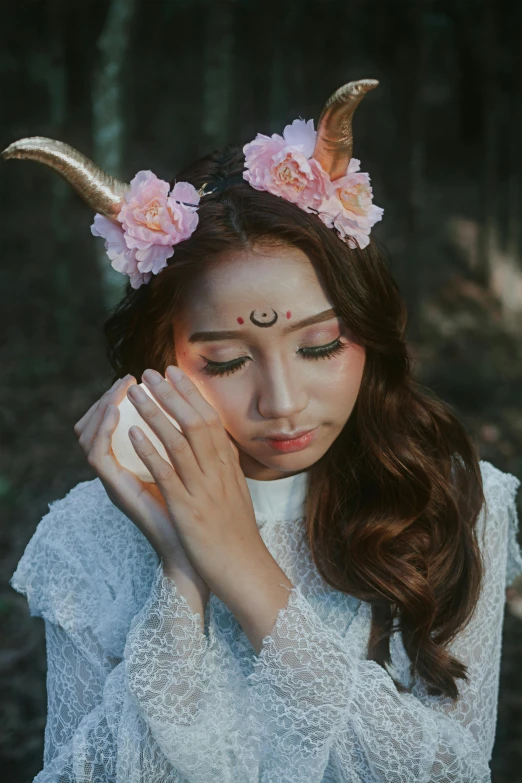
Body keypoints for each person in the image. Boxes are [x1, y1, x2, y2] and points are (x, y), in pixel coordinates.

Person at [4, 80, 522, 783]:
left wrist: (245, 569)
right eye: (224, 361)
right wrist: (182, 567)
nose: (282, 402)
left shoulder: (457, 503)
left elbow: (452, 772)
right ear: (162, 362)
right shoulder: (86, 539)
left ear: (371, 336)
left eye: (320, 348)